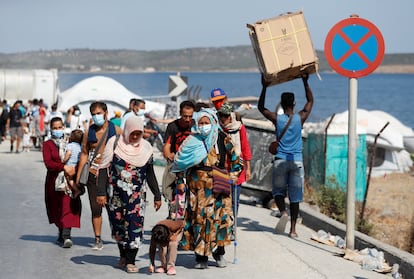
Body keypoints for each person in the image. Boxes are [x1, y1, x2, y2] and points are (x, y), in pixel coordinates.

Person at [172, 108, 242, 269]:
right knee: (200, 220)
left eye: (206, 123)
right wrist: (180, 179)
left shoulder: (222, 138)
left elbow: (236, 159)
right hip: (198, 188)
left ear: (213, 122)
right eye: (201, 123)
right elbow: (180, 162)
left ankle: (219, 254)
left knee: (221, 219)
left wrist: (235, 174)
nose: (203, 126)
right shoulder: (191, 141)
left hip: (220, 185)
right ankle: (201, 257)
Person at [96, 115, 162, 273]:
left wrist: (157, 195)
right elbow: (104, 168)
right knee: (118, 225)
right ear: (127, 130)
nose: (134, 136)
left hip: (136, 197)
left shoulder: (146, 148)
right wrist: (100, 192)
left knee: (134, 226)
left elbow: (150, 174)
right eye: (132, 132)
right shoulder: (114, 143)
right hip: (115, 196)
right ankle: (123, 255)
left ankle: (131, 260)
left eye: (138, 133)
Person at [258, 73, 313, 238]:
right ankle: (293, 229)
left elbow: (261, 108)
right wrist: (305, 82)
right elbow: (310, 102)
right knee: (295, 197)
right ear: (294, 104)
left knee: (278, 192)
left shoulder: (277, 119)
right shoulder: (300, 118)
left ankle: (283, 212)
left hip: (280, 160)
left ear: (281, 104)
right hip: (296, 162)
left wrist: (264, 87)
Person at [75, 101, 122, 250]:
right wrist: (78, 178)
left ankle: (118, 233)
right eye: (93, 114)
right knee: (96, 208)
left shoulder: (117, 131)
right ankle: (97, 238)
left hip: (112, 175)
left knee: (114, 208)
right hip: (93, 174)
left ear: (106, 113)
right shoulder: (90, 132)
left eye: (98, 113)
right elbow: (84, 153)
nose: (96, 117)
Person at [42, 117, 81, 248]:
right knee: (57, 207)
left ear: (63, 127)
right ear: (51, 129)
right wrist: (63, 167)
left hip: (69, 181)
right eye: (55, 128)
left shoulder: (70, 142)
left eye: (60, 127)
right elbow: (48, 163)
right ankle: (61, 231)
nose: (58, 130)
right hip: (54, 181)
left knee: (68, 206)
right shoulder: (47, 144)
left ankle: (66, 235)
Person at [217, 102, 252, 219]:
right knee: (221, 198)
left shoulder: (239, 128)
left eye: (225, 116)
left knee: (234, 200)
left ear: (231, 116)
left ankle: (231, 224)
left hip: (236, 168)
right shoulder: (218, 128)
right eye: (221, 115)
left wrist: (248, 168)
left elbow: (245, 147)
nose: (223, 118)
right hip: (221, 168)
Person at [162, 100, 195, 217]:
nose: (187, 119)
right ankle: (173, 216)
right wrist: (169, 155)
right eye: (185, 116)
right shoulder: (172, 126)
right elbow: (167, 145)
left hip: (191, 165)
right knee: (173, 194)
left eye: (190, 116)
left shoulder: (195, 126)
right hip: (176, 164)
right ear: (180, 113)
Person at [62, 129, 83, 197]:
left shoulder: (70, 145)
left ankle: (76, 190)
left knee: (69, 178)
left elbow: (68, 153)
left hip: (70, 165)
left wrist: (63, 161)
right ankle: (78, 186)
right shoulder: (81, 147)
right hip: (77, 166)